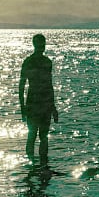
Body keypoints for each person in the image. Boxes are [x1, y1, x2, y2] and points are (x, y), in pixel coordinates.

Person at [19, 34, 58, 166]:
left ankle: (42, 165)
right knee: (32, 136)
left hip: (45, 104)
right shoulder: (28, 62)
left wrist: (53, 108)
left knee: (43, 137)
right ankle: (31, 166)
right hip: (33, 104)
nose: (42, 47)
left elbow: (49, 85)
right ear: (35, 45)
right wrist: (22, 107)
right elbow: (21, 86)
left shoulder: (47, 62)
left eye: (44, 44)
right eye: (40, 44)